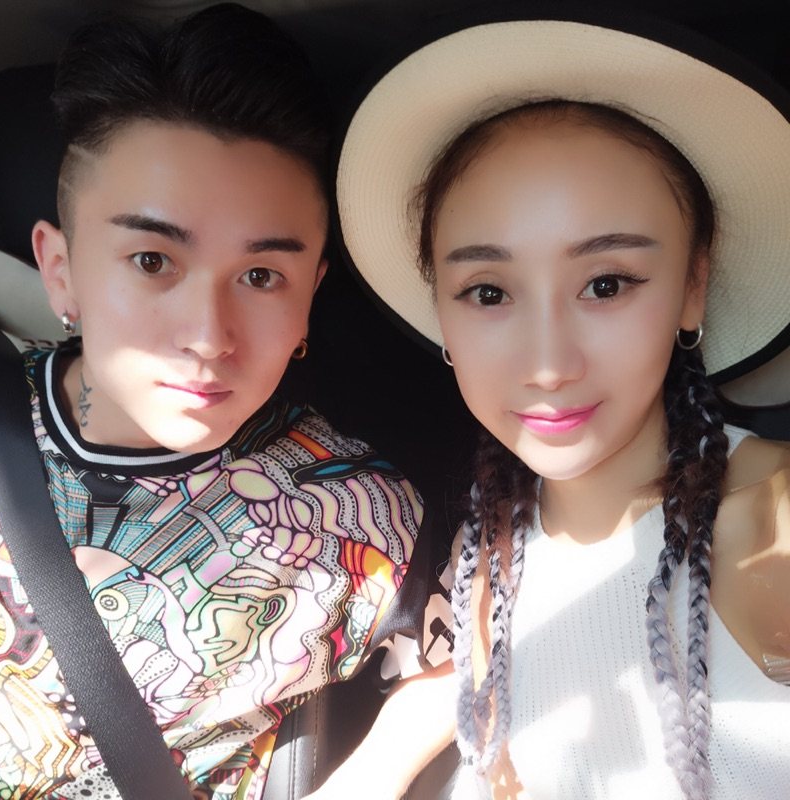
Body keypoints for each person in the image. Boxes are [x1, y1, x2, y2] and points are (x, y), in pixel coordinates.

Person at [333, 10, 790, 800]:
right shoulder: (486, 556)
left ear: (693, 286)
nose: (548, 365)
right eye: (488, 292)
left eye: (606, 284)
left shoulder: (770, 528)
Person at [0, 4, 425, 798]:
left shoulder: (360, 518)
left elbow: (471, 667)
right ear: (61, 270)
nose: (207, 335)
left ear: (310, 296)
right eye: (152, 260)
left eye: (261, 276)